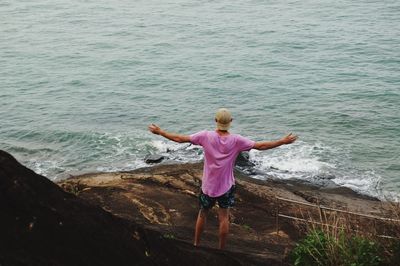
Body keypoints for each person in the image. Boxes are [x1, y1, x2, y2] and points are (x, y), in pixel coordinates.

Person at [148, 108, 297, 249]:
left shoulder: (205, 136)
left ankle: (196, 244)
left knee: (202, 213)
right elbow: (260, 146)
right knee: (224, 217)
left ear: (215, 120)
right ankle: (221, 249)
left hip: (208, 187)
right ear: (231, 121)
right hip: (226, 187)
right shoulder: (237, 140)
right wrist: (282, 141)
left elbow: (179, 139)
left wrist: (160, 132)